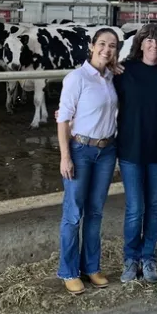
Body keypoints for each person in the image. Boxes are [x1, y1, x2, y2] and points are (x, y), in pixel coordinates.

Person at [55, 27, 120, 295]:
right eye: (102, 44)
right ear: (91, 46)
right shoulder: (76, 78)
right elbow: (63, 118)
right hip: (81, 150)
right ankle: (68, 271)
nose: (106, 49)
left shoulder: (111, 77)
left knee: (95, 212)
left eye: (112, 46)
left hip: (106, 151)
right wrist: (65, 156)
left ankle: (91, 267)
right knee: (73, 213)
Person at [115, 24, 157, 284]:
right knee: (135, 208)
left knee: (154, 207)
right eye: (149, 40)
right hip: (130, 150)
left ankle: (148, 257)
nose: (154, 45)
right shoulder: (124, 71)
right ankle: (131, 258)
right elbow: (100, 94)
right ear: (139, 43)